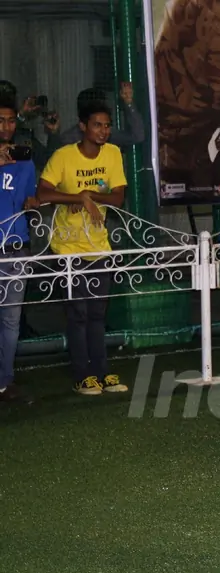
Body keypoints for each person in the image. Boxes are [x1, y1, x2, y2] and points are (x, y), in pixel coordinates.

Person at [37, 101, 130, 396]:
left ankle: (101, 372)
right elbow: (43, 192)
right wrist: (79, 198)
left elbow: (117, 198)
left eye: (107, 125)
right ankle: (82, 375)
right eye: (97, 125)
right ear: (82, 126)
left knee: (98, 314)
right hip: (68, 248)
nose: (103, 131)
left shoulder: (112, 153)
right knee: (78, 314)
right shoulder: (64, 156)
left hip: (99, 247)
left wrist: (90, 195)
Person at [0, 96, 39, 404]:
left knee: (11, 321)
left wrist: (32, 202)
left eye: (11, 121)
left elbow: (29, 198)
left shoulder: (25, 161)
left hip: (17, 248)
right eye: (0, 121)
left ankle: (5, 381)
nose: (6, 127)